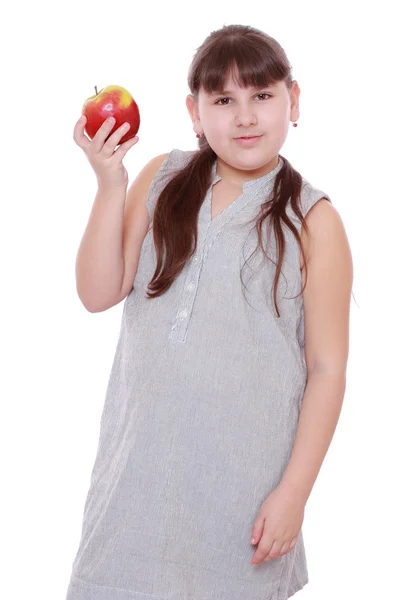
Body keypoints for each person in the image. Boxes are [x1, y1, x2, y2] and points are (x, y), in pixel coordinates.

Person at [67, 23, 353, 600]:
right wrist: (109, 182)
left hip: (244, 500)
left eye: (262, 96)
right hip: (136, 489)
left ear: (292, 102)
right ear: (195, 113)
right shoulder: (161, 179)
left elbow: (327, 369)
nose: (245, 116)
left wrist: (293, 494)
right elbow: (98, 293)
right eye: (223, 100)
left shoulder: (314, 220)